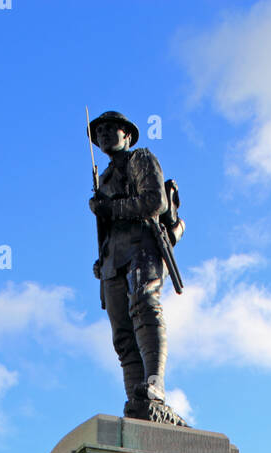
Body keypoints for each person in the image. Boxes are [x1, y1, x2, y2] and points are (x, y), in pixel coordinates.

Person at [88, 110, 182, 422]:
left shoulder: (140, 159)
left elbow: (154, 202)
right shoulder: (104, 179)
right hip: (113, 260)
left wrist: (110, 208)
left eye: (110, 129)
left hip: (143, 247)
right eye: (99, 131)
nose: (103, 135)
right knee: (122, 336)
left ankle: (154, 383)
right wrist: (101, 260)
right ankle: (137, 400)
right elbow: (107, 229)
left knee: (145, 306)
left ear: (127, 135)